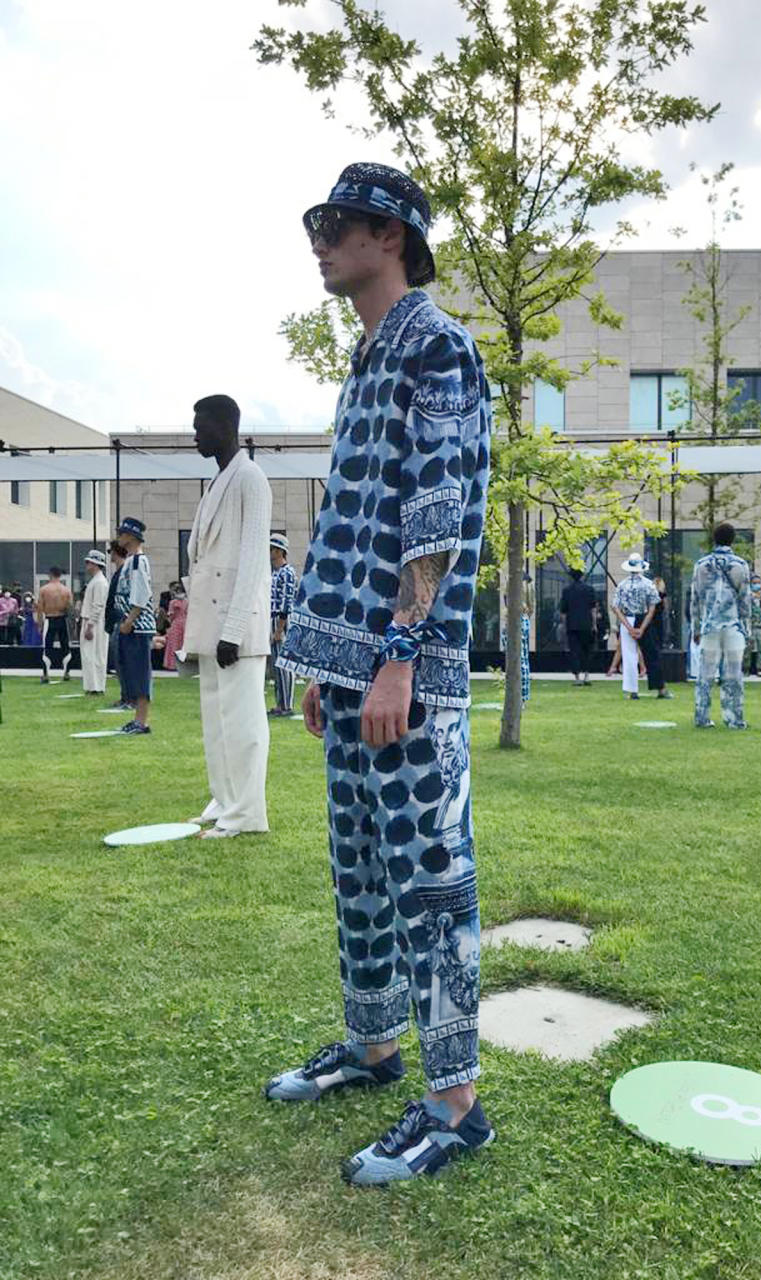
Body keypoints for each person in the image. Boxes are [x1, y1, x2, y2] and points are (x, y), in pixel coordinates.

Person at [265, 162, 494, 1185]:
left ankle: (454, 1103)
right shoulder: (366, 357)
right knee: (359, 874)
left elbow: (437, 512)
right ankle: (371, 1045)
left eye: (339, 224)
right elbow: (353, 518)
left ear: (392, 236)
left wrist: (400, 653)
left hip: (413, 674)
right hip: (354, 673)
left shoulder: (436, 344)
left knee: (429, 883)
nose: (321, 240)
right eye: (318, 223)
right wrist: (328, 660)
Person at [182, 395, 272, 837]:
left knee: (242, 724)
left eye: (200, 425)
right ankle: (224, 798)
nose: (195, 433)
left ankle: (247, 813)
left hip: (237, 627)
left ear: (225, 425)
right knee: (216, 721)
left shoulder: (251, 478)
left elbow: (255, 559)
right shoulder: (218, 482)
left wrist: (233, 630)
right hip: (210, 626)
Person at [691, 523, 751, 729]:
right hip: (733, 625)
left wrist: (695, 627)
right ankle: (734, 718)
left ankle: (702, 716)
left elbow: (695, 599)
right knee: (733, 673)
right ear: (732, 539)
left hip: (709, 625)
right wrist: (747, 628)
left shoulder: (701, 564)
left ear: (714, 539)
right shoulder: (740, 565)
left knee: (705, 673)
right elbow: (745, 600)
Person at [113, 518, 156, 735]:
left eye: (122, 533)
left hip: (137, 627)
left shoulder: (139, 561)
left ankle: (141, 721)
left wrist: (130, 620)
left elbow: (141, 594)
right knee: (131, 672)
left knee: (140, 674)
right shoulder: (131, 561)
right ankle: (137, 718)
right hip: (131, 624)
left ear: (131, 536)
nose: (119, 536)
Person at [612, 552, 657, 700]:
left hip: (628, 619)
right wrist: (642, 627)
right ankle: (659, 686)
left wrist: (628, 626)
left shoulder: (622, 585)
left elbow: (616, 608)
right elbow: (652, 607)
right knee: (650, 653)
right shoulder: (648, 584)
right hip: (642, 618)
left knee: (629, 655)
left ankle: (632, 690)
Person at [268, 534, 298, 717]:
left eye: (272, 549)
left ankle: (286, 705)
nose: (269, 552)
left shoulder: (287, 573)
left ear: (279, 551)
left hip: (282, 621)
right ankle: (280, 703)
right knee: (277, 666)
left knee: (284, 664)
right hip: (273, 619)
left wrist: (279, 629)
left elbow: (287, 603)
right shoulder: (275, 573)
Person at [104, 540, 132, 709]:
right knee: (119, 662)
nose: (110, 555)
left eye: (111, 551)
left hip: (120, 621)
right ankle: (125, 696)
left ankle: (128, 698)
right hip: (116, 621)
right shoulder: (119, 573)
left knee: (123, 662)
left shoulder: (123, 573)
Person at [78, 550, 109, 695]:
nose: (87, 565)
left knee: (95, 655)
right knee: (89, 655)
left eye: (89, 563)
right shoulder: (95, 581)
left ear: (96, 564)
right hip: (91, 621)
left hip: (94, 623)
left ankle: (96, 687)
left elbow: (98, 605)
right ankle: (92, 686)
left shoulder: (100, 583)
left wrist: (90, 625)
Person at [559, 568, 597, 686]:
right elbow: (593, 609)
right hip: (587, 624)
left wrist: (565, 626)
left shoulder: (567, 591)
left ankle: (577, 677)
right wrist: (594, 624)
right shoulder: (589, 590)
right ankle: (586, 676)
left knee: (574, 651)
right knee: (587, 650)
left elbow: (563, 611)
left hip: (572, 625)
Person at [36, 567, 74, 683]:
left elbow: (40, 608)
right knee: (65, 646)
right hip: (62, 619)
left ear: (50, 575)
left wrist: (40, 625)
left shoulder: (44, 590)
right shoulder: (66, 590)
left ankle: (46, 674)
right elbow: (70, 608)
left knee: (47, 647)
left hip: (50, 619)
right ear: (60, 575)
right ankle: (67, 672)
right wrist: (71, 625)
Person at [162, 582, 188, 671]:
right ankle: (175, 664)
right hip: (182, 623)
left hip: (178, 623)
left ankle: (173, 664)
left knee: (176, 644)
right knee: (176, 644)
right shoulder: (183, 601)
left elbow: (171, 615)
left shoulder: (175, 602)